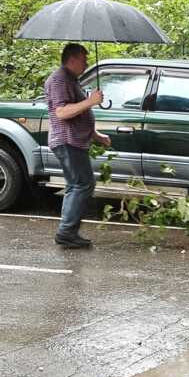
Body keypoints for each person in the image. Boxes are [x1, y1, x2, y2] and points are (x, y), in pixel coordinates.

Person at [44, 43, 111, 248]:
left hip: (74, 141)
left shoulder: (71, 80)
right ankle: (66, 232)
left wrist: (96, 135)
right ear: (72, 59)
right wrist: (90, 101)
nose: (86, 63)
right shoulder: (59, 80)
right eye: (84, 59)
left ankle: (68, 231)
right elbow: (62, 112)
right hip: (67, 141)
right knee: (82, 184)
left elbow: (77, 113)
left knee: (77, 184)